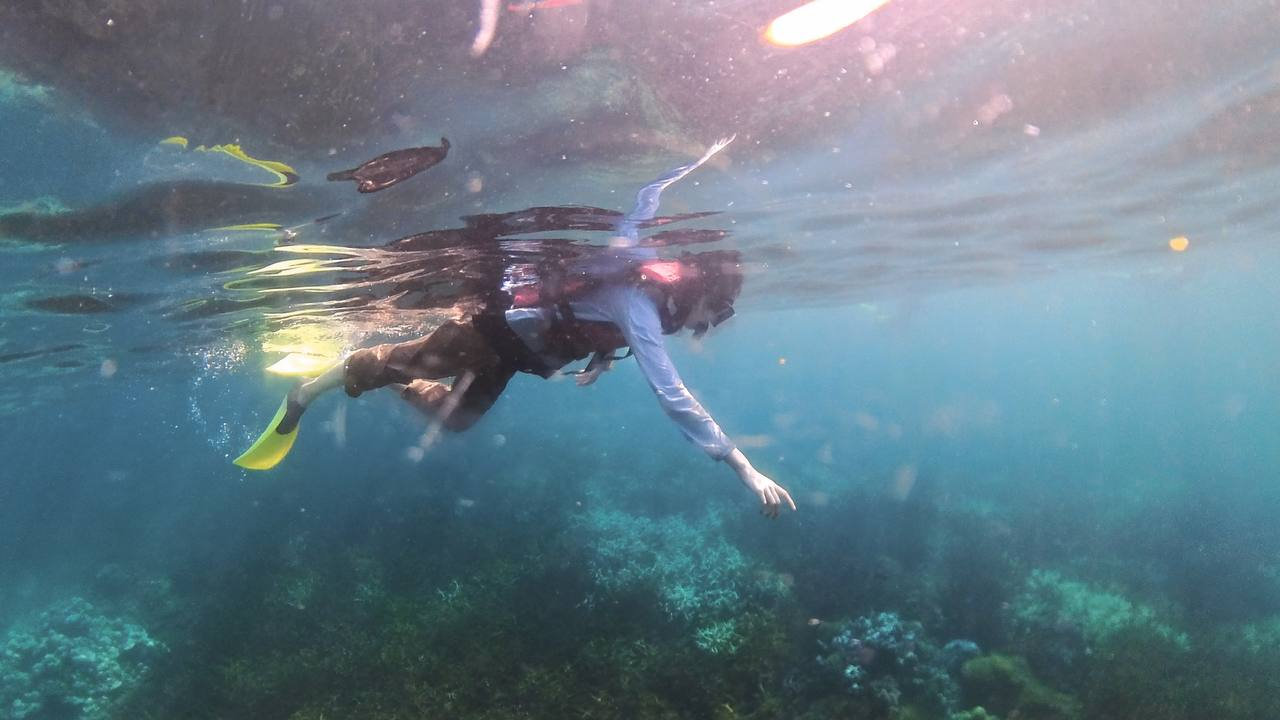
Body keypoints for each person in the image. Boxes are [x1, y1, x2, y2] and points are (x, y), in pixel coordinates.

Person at [235, 136, 797, 517]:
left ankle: (386, 375)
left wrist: (602, 356)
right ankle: (305, 393)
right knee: (388, 365)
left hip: (515, 354)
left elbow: (599, 306)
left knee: (456, 420)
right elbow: (672, 395)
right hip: (489, 333)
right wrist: (743, 468)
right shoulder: (641, 303)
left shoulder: (644, 302)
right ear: (701, 293)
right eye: (719, 310)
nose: (712, 323)